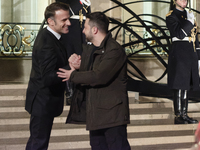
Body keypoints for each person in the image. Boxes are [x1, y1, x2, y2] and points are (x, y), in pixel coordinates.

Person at [57, 12, 131, 150]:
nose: (83, 31)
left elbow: (99, 76)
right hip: (96, 115)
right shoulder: (91, 50)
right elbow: (92, 72)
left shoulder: (114, 50)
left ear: (94, 30)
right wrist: (78, 67)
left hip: (112, 116)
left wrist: (72, 75)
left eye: (85, 27)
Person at [25, 2, 71, 150]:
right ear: (51, 21)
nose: (69, 23)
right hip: (42, 102)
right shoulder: (46, 41)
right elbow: (48, 78)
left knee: (39, 142)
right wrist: (71, 67)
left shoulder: (54, 37)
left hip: (46, 102)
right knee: (38, 143)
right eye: (64, 20)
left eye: (68, 19)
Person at [166, 0, 200, 124]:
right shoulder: (171, 16)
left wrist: (199, 56)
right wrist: (189, 22)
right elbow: (179, 34)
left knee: (186, 85)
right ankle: (178, 115)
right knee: (179, 84)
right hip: (179, 53)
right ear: (175, 1)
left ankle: (184, 114)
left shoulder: (188, 14)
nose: (184, 1)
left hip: (190, 53)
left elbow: (195, 37)